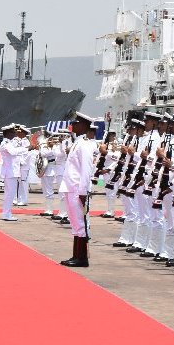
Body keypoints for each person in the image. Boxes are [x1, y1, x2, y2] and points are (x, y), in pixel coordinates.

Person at [59, 113, 102, 268]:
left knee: (80, 223)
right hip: (71, 187)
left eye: (76, 123)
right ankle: (76, 255)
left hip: (77, 189)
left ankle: (82, 258)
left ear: (83, 126)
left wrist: (83, 192)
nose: (73, 126)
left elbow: (86, 170)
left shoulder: (85, 145)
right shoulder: (78, 143)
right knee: (75, 223)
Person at [0, 125, 29, 221]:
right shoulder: (6, 143)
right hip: (10, 172)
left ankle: (7, 213)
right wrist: (27, 148)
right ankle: (7, 214)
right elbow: (13, 152)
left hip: (12, 172)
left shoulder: (9, 143)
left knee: (10, 194)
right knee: (10, 194)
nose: (15, 134)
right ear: (8, 133)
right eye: (13, 132)